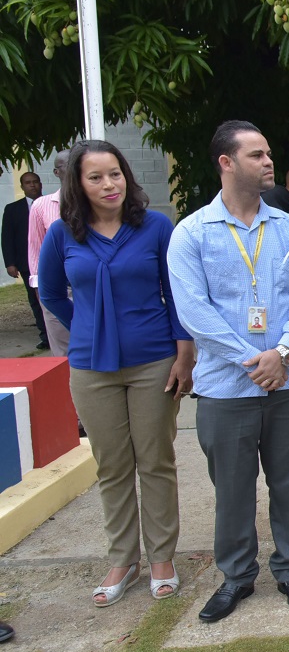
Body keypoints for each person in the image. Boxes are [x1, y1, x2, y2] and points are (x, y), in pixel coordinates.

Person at [167, 120, 289, 623]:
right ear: (226, 163)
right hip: (225, 388)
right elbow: (195, 313)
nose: (268, 162)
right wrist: (254, 360)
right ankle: (236, 577)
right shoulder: (191, 234)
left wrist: (284, 352)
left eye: (269, 152)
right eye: (256, 154)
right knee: (232, 489)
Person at [39, 140, 194, 606]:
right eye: (95, 177)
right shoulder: (63, 235)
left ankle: (162, 557)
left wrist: (184, 355)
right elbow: (50, 293)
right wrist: (88, 327)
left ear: (126, 176)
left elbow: (177, 294)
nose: (108, 185)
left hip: (153, 362)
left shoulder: (154, 228)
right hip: (90, 367)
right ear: (77, 184)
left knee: (155, 460)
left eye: (115, 174)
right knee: (112, 465)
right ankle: (122, 558)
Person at [28, 149, 71, 356]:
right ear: (56, 172)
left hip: (88, 284)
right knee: (62, 351)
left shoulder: (96, 203)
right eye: (67, 165)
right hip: (57, 287)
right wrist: (39, 287)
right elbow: (35, 247)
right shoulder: (42, 205)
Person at [2, 171, 48, 349]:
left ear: (41, 184)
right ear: (22, 187)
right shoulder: (13, 209)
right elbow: (7, 237)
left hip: (52, 260)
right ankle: (45, 335)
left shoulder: (50, 204)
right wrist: (10, 263)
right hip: (27, 262)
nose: (32, 185)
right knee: (36, 299)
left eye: (35, 182)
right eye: (28, 182)